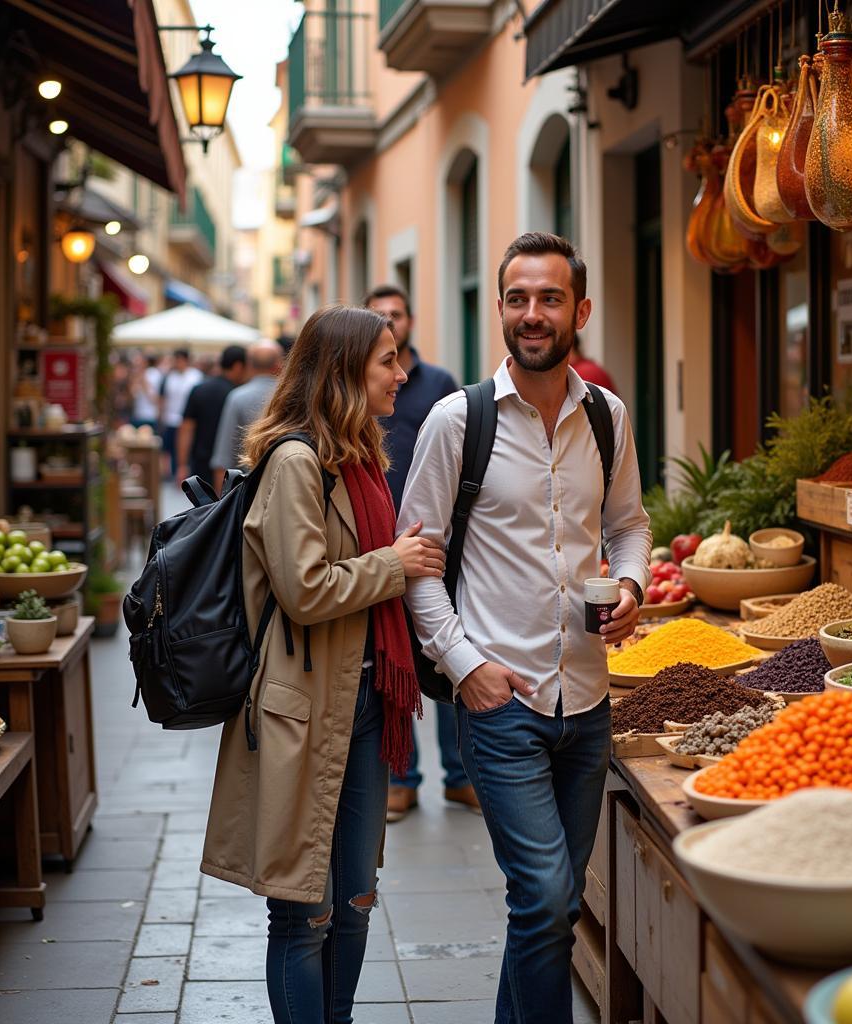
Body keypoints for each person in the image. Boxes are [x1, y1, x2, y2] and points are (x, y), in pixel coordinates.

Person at [399, 232, 651, 1024]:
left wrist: (635, 583)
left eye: (548, 299)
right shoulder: (456, 420)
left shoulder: (605, 417)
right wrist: (465, 664)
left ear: (580, 310)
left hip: (588, 696)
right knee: (543, 896)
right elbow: (418, 563)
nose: (531, 314)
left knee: (555, 903)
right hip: (501, 700)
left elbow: (631, 524)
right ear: (501, 310)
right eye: (517, 299)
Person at [200, 305, 446, 1024]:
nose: (402, 374)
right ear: (344, 370)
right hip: (300, 710)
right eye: (387, 361)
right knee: (303, 913)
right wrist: (393, 565)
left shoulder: (363, 459)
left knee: (356, 902)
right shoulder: (294, 462)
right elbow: (306, 590)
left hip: (365, 706)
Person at [363, 284, 475, 822]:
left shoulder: (438, 383)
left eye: (397, 313)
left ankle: (460, 777)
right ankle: (402, 777)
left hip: (437, 537)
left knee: (448, 653)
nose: (391, 320)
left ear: (410, 319)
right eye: (379, 315)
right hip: (380, 540)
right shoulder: (362, 386)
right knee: (396, 659)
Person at [210, 339, 284, 492]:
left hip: (247, 491)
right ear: (279, 364)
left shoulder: (237, 397)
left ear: (250, 365)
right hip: (286, 487)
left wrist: (220, 505)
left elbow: (223, 456)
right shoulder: (293, 396)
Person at [176, 345, 248, 486]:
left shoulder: (199, 389)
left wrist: (182, 465)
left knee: (203, 507)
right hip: (233, 468)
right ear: (238, 366)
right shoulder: (239, 394)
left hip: (201, 463)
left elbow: (186, 429)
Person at [159, 349, 203, 478]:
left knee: (188, 449)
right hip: (171, 419)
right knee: (172, 449)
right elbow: (163, 398)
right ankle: (174, 474)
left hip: (189, 420)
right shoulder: (169, 377)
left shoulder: (196, 376)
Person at [130, 353, 162, 429]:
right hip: (137, 415)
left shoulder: (155, 374)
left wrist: (143, 382)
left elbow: (154, 399)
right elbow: (133, 395)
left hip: (149, 416)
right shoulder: (138, 375)